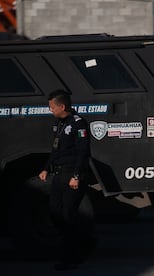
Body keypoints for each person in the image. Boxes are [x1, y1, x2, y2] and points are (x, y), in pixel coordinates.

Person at [39, 89, 95, 270]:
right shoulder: (59, 124)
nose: (51, 110)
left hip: (72, 175)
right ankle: (81, 242)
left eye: (52, 107)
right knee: (55, 213)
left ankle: (70, 258)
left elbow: (83, 152)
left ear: (62, 106)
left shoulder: (78, 124)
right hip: (59, 175)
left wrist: (76, 176)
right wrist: (46, 168)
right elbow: (55, 149)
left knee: (68, 215)